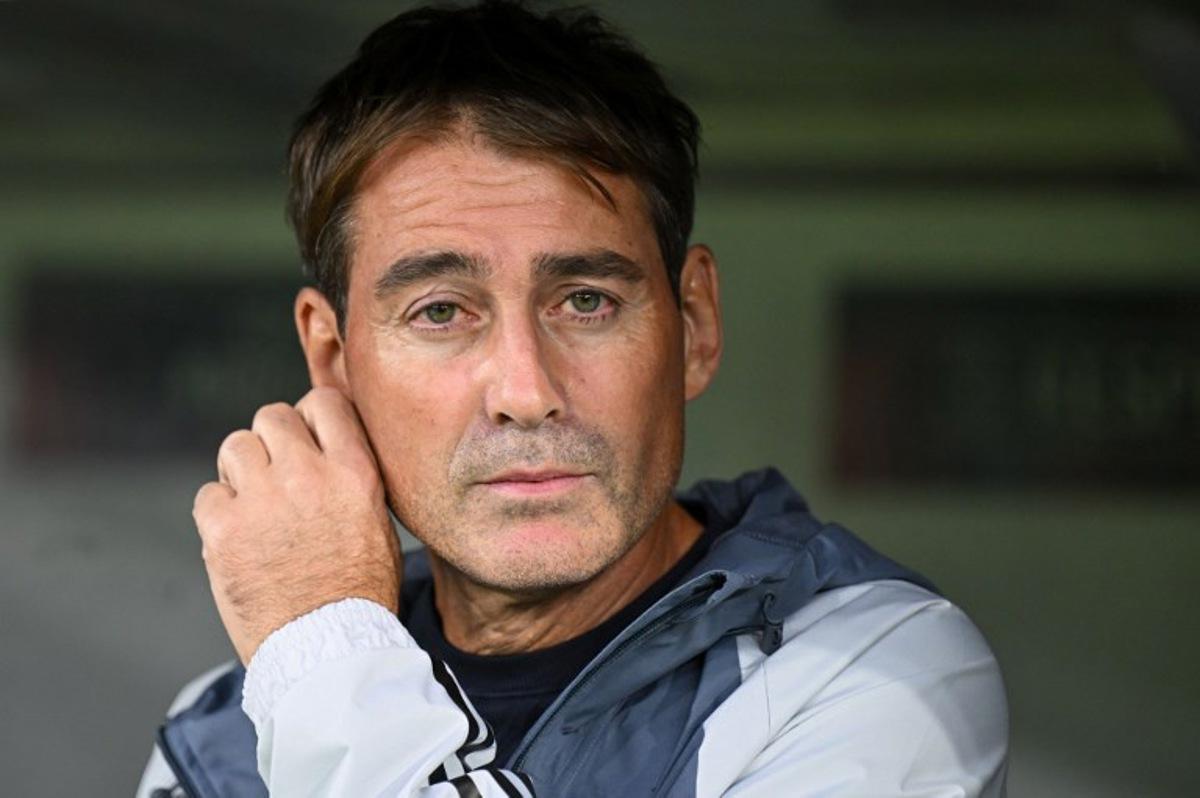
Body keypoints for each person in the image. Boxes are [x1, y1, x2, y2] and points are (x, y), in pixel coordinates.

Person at [137, 2, 1009, 796]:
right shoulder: (229, 728)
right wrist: (317, 662)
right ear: (333, 360)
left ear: (694, 326)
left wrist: (325, 654)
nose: (525, 391)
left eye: (586, 301)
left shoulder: (869, 674)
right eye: (440, 311)